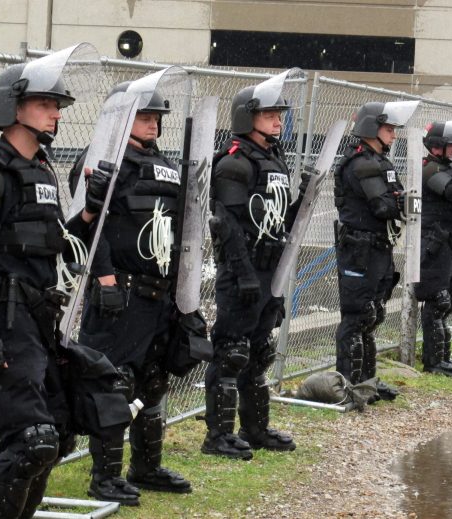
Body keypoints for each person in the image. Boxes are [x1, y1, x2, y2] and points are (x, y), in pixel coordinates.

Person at [0, 49, 109, 519]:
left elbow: (58, 244)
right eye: (45, 103)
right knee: (30, 441)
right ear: (13, 107)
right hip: (5, 321)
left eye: (57, 105)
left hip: (41, 322)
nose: (56, 112)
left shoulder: (41, 169)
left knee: (55, 437)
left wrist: (87, 214)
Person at [70, 78, 195, 505]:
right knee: (114, 382)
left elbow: (180, 232)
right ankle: (104, 477)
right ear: (122, 119)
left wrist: (184, 293)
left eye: (157, 118)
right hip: (118, 291)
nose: (154, 125)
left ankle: (147, 466)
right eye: (144, 117)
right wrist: (103, 278)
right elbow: (87, 226)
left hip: (158, 292)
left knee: (153, 381)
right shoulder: (102, 160)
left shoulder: (166, 165)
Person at [202, 71, 304, 460]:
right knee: (231, 351)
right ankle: (217, 435)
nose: (278, 119)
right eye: (269, 113)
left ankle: (255, 427)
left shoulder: (272, 158)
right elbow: (226, 221)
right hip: (241, 268)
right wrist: (242, 272)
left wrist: (303, 201)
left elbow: (276, 217)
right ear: (248, 116)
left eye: (279, 112)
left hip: (270, 267)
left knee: (259, 350)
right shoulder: (234, 162)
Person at [333, 101, 417, 388]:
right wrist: (401, 203)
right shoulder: (361, 162)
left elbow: (400, 199)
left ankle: (366, 381)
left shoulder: (380, 161)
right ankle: (348, 384)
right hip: (360, 248)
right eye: (389, 128)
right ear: (372, 128)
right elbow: (384, 205)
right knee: (357, 316)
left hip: (380, 246)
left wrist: (401, 202)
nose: (394, 135)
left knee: (373, 314)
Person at [414, 118, 452, 377]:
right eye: (451, 146)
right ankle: (433, 361)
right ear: (437, 146)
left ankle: (443, 357)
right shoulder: (429, 169)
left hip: (449, 242)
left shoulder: (443, 167)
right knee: (437, 301)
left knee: (447, 302)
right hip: (433, 243)